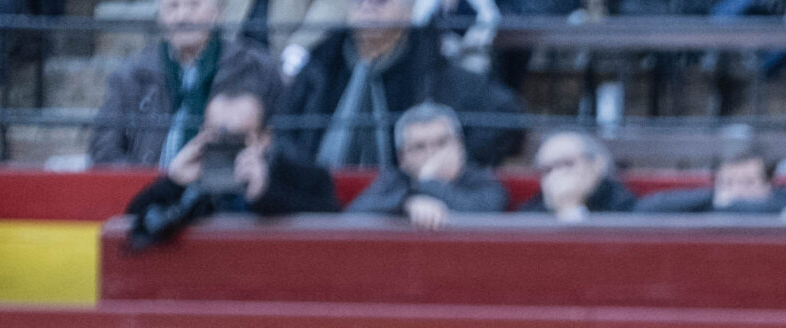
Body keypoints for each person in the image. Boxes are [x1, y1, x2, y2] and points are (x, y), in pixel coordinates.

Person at [274, 0, 523, 169]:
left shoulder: (431, 65)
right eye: (359, 0)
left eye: (380, 0)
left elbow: (506, 116)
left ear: (408, 11)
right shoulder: (322, 62)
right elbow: (286, 129)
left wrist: (457, 159)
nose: (367, 5)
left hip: (405, 203)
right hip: (320, 198)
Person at [125, 58, 342, 228]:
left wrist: (265, 193)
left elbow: (330, 226)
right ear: (203, 132)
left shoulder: (305, 177)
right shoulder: (192, 181)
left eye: (238, 138)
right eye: (217, 136)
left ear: (264, 137)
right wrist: (174, 182)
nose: (227, 147)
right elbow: (131, 225)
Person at [88, 0, 249, 167]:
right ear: (161, 17)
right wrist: (145, 186)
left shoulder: (249, 68)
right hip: (151, 187)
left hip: (221, 188)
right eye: (173, 6)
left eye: (194, 5)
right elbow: (104, 149)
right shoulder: (133, 73)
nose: (182, 16)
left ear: (217, 13)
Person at [344, 102, 506, 228]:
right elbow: (351, 217)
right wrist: (406, 204)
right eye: (419, 147)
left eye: (441, 143)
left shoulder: (482, 179)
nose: (431, 154)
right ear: (402, 158)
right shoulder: (395, 180)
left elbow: (486, 212)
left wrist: (428, 181)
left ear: (459, 145)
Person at [635, 139, 786, 216]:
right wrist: (714, 198)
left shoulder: (785, 201)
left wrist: (728, 204)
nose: (736, 190)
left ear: (769, 183)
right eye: (728, 182)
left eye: (748, 182)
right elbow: (647, 208)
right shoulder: (711, 200)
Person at [521, 127, 636, 219]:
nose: (557, 175)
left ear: (597, 164)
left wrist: (570, 207)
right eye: (547, 170)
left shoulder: (629, 211)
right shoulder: (528, 217)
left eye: (567, 164)